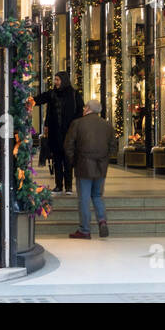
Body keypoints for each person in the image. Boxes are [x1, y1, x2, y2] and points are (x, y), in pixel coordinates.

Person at [64, 98, 113, 239]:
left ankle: (85, 230)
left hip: (83, 165)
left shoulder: (77, 124)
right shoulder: (107, 125)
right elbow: (113, 146)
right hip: (101, 166)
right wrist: (105, 160)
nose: (83, 109)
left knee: (84, 198)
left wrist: (74, 162)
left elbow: (68, 146)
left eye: (85, 107)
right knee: (97, 195)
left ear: (88, 109)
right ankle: (102, 221)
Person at [34, 72, 79, 195]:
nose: (56, 82)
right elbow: (40, 99)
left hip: (69, 133)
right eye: (55, 80)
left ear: (63, 80)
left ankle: (68, 186)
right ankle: (59, 185)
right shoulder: (52, 93)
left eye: (58, 80)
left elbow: (80, 111)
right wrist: (31, 101)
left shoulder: (73, 94)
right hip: (55, 134)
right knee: (57, 160)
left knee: (68, 160)